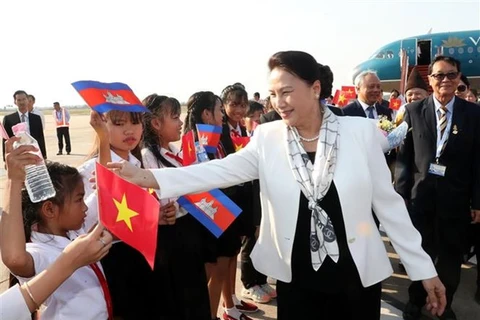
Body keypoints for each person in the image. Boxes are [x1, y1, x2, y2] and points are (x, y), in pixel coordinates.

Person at [106, 50, 447, 320]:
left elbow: (389, 206)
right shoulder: (268, 138)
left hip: (356, 275)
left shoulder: (358, 133)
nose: (278, 102)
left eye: (287, 92)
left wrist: (423, 269)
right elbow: (218, 171)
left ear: (315, 89)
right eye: (273, 94)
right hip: (297, 276)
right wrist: (147, 177)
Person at [395, 55, 480, 320]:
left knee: (450, 259)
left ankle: (446, 304)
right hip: (419, 200)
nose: (445, 80)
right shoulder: (413, 111)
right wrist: (399, 199)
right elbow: (404, 161)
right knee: (420, 254)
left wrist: (477, 201)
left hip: (457, 201)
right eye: (439, 75)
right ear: (430, 79)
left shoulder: (474, 114)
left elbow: (479, 162)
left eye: (451, 75)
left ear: (459, 79)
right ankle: (415, 300)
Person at [0, 138, 111, 320]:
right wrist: (14, 180)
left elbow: (104, 195)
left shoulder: (74, 230)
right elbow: (14, 258)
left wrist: (103, 136)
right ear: (50, 209)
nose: (85, 207)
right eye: (79, 199)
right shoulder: (40, 252)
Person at [140, 94, 211, 319]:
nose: (181, 123)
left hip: (187, 232)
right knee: (180, 300)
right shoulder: (148, 157)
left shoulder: (174, 152)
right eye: (174, 117)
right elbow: (159, 200)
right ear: (156, 124)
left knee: (195, 295)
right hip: (170, 239)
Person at [2, 90, 47, 161]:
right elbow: (6, 141)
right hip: (17, 155)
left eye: (24, 99)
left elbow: (40, 137)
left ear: (27, 100)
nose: (22, 102)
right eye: (19, 100)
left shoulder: (36, 118)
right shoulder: (8, 119)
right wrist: (6, 159)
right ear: (15, 102)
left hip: (34, 154)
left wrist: (44, 156)